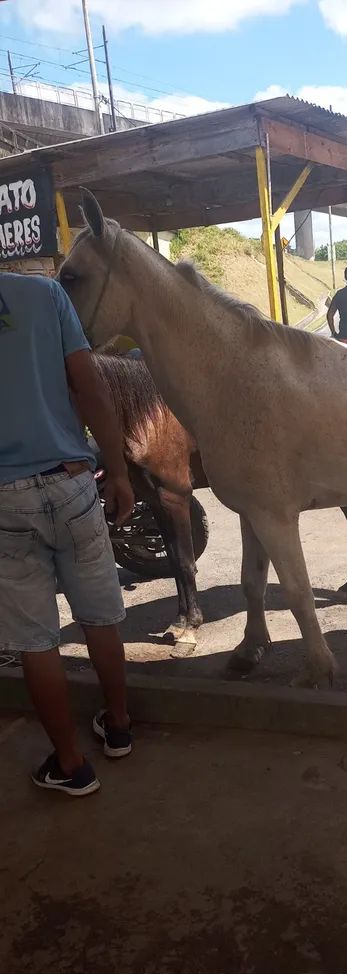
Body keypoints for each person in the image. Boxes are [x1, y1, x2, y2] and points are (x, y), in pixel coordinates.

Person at [0, 271, 135, 797]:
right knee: (99, 616)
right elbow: (89, 385)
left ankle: (72, 763)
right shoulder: (42, 293)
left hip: (5, 501)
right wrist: (119, 471)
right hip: (71, 481)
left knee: (36, 643)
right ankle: (119, 724)